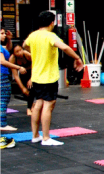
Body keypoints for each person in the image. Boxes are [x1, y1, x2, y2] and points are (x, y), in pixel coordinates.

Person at [23, 11, 84, 145]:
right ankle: (46, 138)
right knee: (48, 105)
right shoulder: (50, 36)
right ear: (52, 23)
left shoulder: (33, 35)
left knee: (38, 103)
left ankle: (35, 136)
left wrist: (34, 53)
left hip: (36, 76)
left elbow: (24, 46)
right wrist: (77, 58)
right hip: (48, 77)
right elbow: (64, 47)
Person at [1, 28, 28, 132]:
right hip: (1, 75)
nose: (4, 35)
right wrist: (18, 67)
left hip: (3, 74)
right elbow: (2, 61)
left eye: (4, 33)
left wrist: (9, 39)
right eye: (2, 33)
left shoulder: (1, 47)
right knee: (3, 98)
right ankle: (2, 124)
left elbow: (7, 49)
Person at [11, 44, 33, 115]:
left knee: (31, 89)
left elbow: (36, 65)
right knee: (25, 92)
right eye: (17, 51)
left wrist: (31, 79)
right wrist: (22, 88)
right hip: (23, 74)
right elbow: (16, 75)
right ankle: (32, 104)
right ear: (14, 53)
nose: (20, 53)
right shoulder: (12, 59)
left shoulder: (27, 54)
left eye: (20, 50)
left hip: (33, 71)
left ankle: (29, 108)